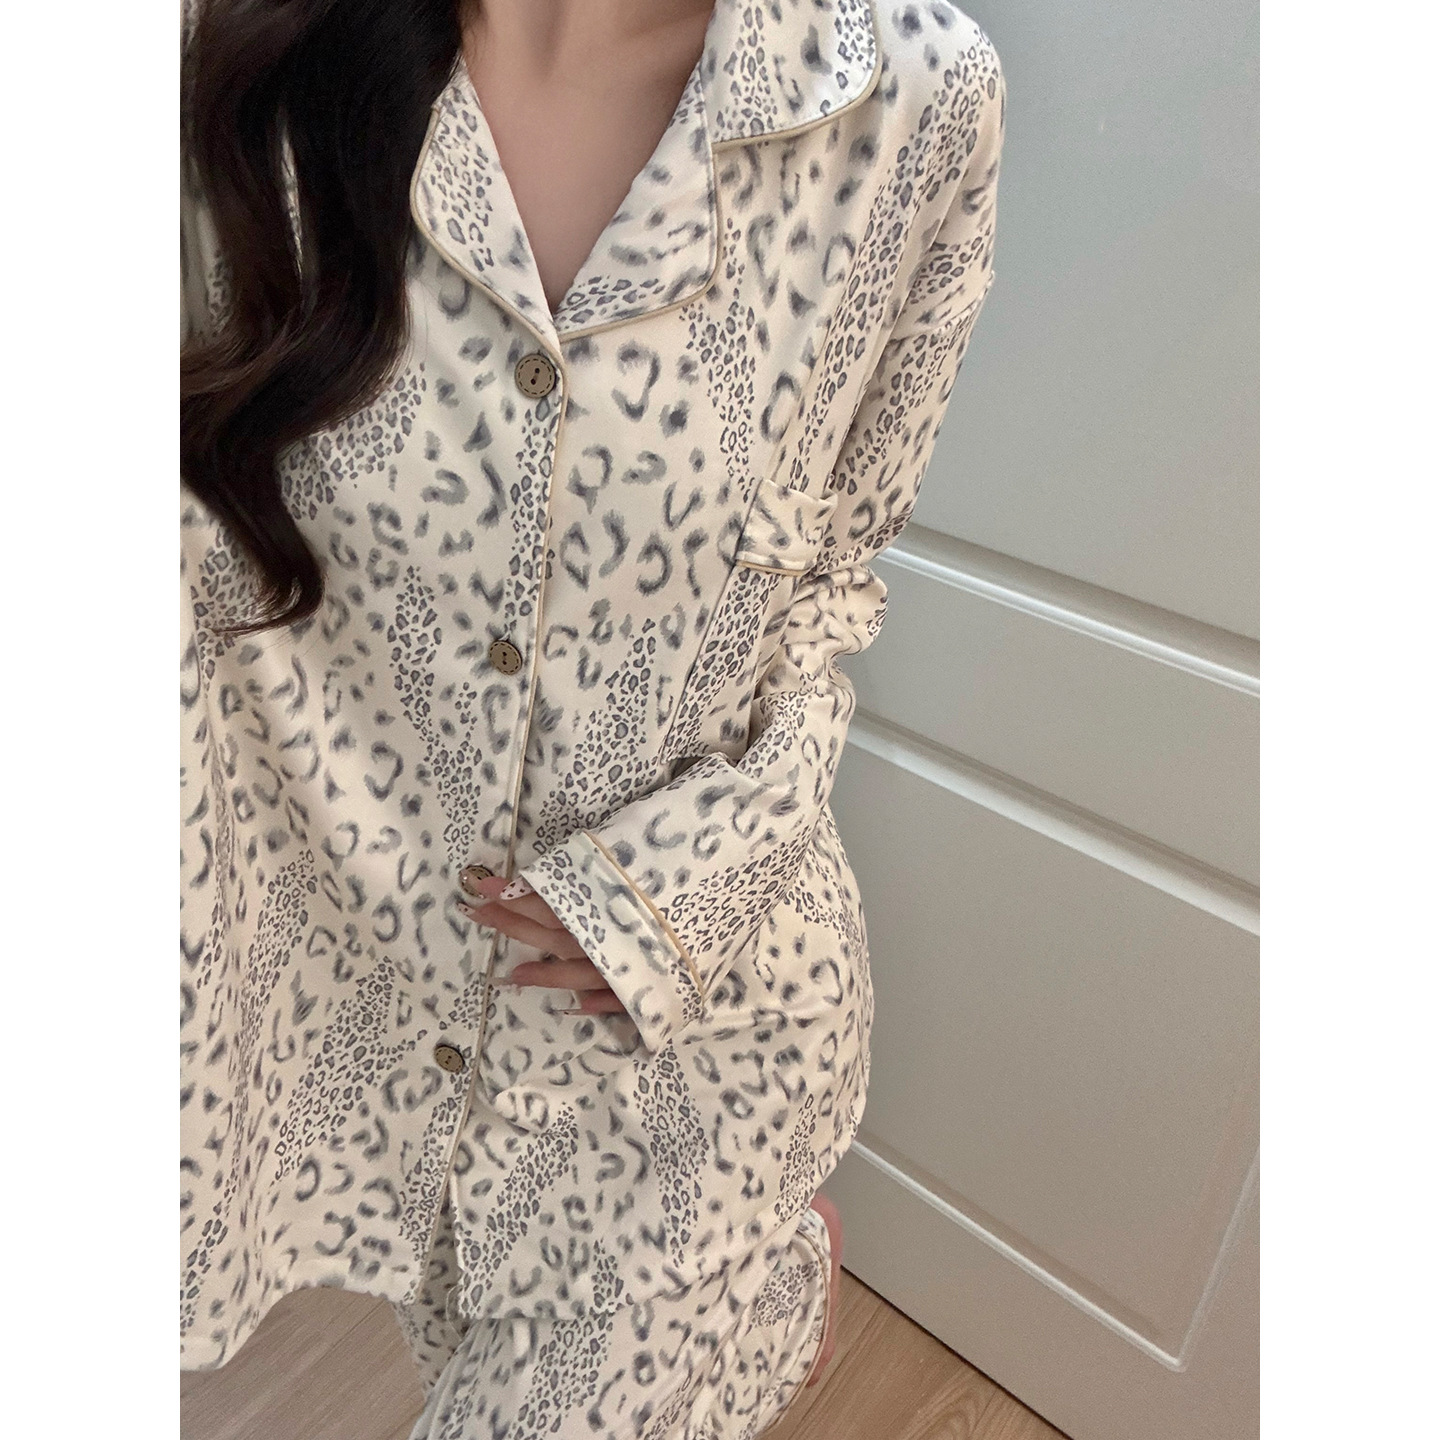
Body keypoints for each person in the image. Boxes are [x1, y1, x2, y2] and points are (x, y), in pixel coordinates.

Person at [179, 0, 1004, 1434]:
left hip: (687, 1050)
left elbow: (828, 587)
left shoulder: (912, 96)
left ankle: (750, 1289)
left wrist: (689, 877)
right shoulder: (243, 63)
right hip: (373, 1041)